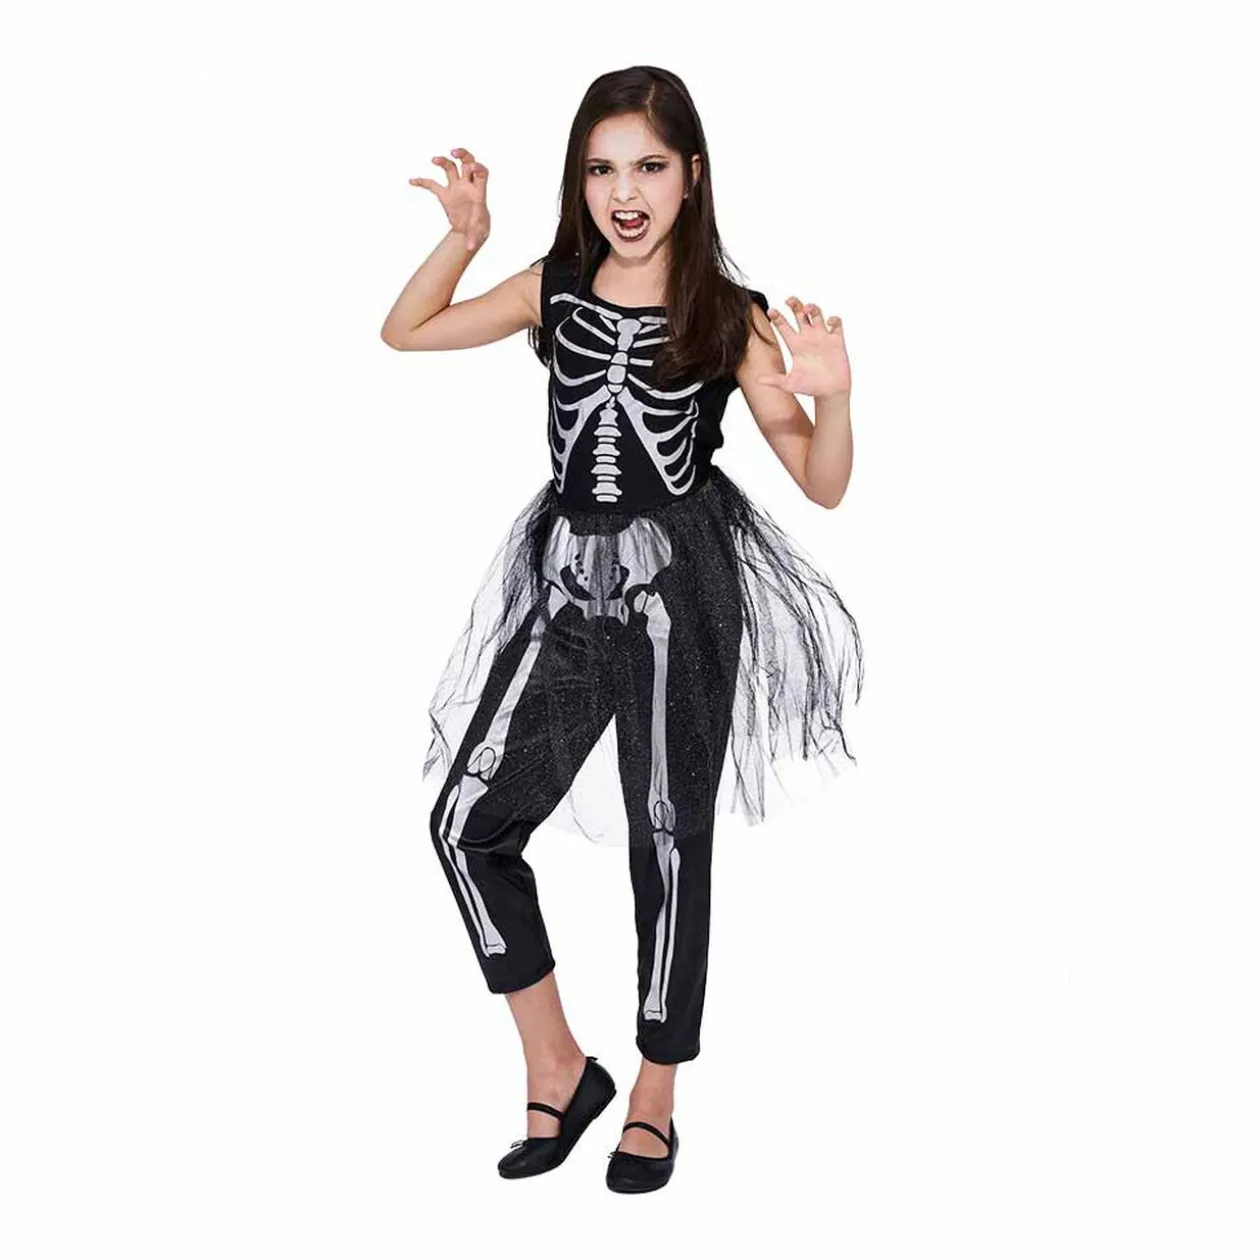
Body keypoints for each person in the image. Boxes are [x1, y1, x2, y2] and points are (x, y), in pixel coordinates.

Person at [381, 66, 864, 1192]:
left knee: (669, 838)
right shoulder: (553, 287)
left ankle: (655, 1091)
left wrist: (834, 396)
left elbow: (823, 482)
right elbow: (407, 330)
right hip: (566, 581)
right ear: (579, 181)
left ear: (692, 174)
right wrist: (464, 238)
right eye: (602, 169)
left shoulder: (729, 317)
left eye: (649, 165)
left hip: (680, 591)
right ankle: (558, 1064)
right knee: (467, 824)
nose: (625, 192)